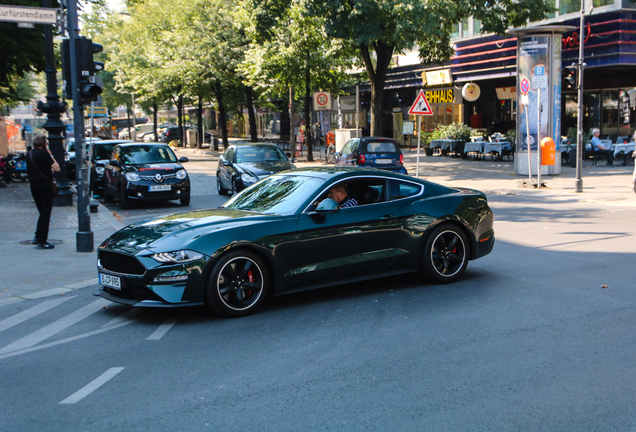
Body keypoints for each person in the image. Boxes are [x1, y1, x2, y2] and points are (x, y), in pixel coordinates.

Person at [26, 135, 60, 249]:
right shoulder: (44, 154)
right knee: (45, 214)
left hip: (34, 186)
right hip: (45, 187)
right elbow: (57, 168)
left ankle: (37, 236)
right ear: (44, 144)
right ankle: (42, 241)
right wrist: (50, 155)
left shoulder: (29, 154)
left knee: (42, 213)